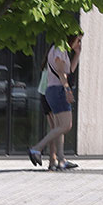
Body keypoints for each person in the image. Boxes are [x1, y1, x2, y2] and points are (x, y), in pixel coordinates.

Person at [28, 32, 82, 170]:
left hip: (54, 90)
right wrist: (68, 90)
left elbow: (68, 70)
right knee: (66, 125)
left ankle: (61, 159)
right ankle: (37, 148)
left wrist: (78, 53)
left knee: (59, 127)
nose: (79, 43)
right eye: (78, 40)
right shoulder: (59, 50)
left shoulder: (61, 50)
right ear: (72, 38)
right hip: (58, 90)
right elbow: (61, 72)